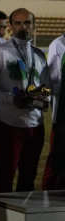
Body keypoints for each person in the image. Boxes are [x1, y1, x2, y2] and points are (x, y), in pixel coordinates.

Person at [0, 8, 50, 193]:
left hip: (35, 126)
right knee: (4, 177)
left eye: (27, 23)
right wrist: (11, 99)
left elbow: (46, 86)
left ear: (33, 26)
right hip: (8, 125)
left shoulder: (39, 55)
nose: (23, 27)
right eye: (18, 23)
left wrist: (41, 99)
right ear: (10, 26)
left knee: (28, 178)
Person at [44, 33, 65, 189]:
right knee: (57, 162)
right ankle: (48, 200)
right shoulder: (58, 45)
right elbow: (52, 83)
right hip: (62, 116)